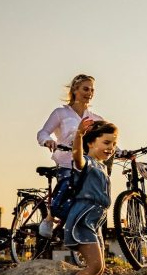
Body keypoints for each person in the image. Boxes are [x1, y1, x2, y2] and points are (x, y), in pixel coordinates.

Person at [51, 119, 118, 275]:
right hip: (83, 218)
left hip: (95, 220)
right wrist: (79, 135)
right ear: (91, 143)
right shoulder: (86, 162)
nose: (111, 148)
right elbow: (76, 156)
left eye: (114, 144)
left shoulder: (102, 166)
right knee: (94, 264)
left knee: (99, 267)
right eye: (106, 143)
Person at [36, 74, 103, 236]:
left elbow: (107, 139)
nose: (89, 93)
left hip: (86, 164)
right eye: (85, 89)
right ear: (75, 90)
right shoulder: (61, 113)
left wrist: (122, 152)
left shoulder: (95, 118)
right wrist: (48, 141)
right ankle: (49, 218)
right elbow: (43, 132)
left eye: (92, 90)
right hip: (66, 162)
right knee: (68, 183)